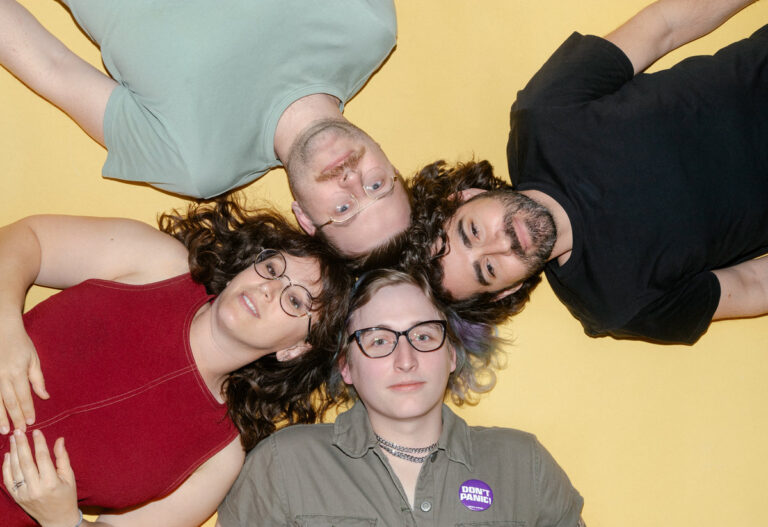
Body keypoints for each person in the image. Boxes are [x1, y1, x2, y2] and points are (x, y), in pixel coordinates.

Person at [407, 0, 768, 344]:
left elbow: (665, 27)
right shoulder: (618, 307)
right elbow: (753, 285)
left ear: (467, 197)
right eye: (487, 270)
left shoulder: (542, 114)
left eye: (473, 231)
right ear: (507, 289)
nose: (502, 244)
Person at [0, 199, 351, 526]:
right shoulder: (158, 262)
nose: (268, 288)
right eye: (272, 267)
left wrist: (63, 521)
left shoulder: (218, 460)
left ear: (295, 349)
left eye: (294, 300)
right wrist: (5, 325)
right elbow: (26, 240)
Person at [0, 0, 412, 258]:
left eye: (343, 210)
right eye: (377, 187)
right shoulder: (367, 26)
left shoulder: (196, 164)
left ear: (305, 219)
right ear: (389, 164)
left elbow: (53, 69)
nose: (352, 182)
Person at [217, 269, 585, 526]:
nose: (405, 360)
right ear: (346, 366)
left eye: (423, 337)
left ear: (451, 355)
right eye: (379, 340)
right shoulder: (285, 464)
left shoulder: (524, 464)